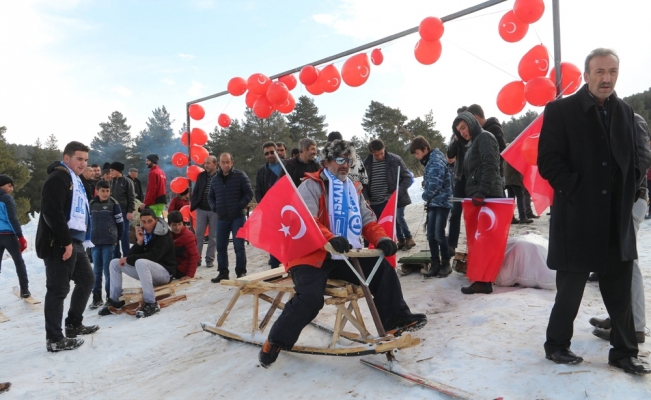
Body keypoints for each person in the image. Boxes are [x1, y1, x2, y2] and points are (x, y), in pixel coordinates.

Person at [259, 139, 426, 368]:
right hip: (309, 254)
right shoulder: (311, 186)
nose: (345, 165)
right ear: (326, 162)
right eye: (340, 160)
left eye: (348, 160)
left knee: (382, 270)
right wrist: (329, 237)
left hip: (343, 254)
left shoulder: (353, 188)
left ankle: (395, 320)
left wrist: (382, 238)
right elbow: (306, 219)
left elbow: (367, 219)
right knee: (310, 299)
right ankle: (275, 341)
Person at [538, 48, 649, 374]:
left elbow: (640, 156)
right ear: (586, 75)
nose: (606, 78)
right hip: (577, 216)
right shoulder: (561, 110)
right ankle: (557, 346)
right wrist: (576, 189)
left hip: (616, 218)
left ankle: (625, 352)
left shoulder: (625, 112)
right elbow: (548, 161)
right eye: (599, 71)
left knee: (619, 290)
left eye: (612, 71)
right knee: (570, 290)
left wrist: (628, 189)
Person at [589, 113, 651, 344]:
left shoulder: (632, 119)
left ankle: (635, 326)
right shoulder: (605, 122)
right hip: (617, 202)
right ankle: (620, 318)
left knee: (628, 262)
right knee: (616, 262)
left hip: (631, 199)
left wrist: (623, 191)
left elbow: (643, 159)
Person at [35, 141, 98, 352]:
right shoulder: (58, 178)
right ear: (66, 158)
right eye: (79, 159)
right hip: (59, 243)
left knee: (87, 280)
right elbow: (51, 212)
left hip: (75, 242)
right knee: (58, 290)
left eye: (86, 160)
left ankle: (73, 324)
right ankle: (54, 338)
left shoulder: (76, 180)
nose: (83, 164)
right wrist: (65, 242)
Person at [454, 111, 503, 295]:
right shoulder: (472, 143)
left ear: (471, 122)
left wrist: (482, 191)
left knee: (485, 240)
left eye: (464, 127)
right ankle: (482, 279)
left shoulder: (485, 137)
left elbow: (491, 165)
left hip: (488, 196)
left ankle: (484, 281)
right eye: (459, 130)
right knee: (479, 239)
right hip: (478, 197)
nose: (462, 132)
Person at [99, 208, 177, 319]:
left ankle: (151, 303)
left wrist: (129, 259)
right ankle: (115, 301)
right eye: (143, 222)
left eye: (149, 221)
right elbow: (130, 256)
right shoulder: (145, 234)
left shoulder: (163, 235)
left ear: (156, 220)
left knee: (140, 262)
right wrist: (139, 242)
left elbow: (153, 257)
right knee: (115, 263)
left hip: (165, 273)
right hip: (148, 272)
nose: (147, 225)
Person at [409, 137, 453, 278]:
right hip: (434, 203)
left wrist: (425, 195)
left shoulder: (435, 161)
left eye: (417, 153)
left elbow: (435, 184)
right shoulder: (430, 161)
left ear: (425, 149)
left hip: (442, 202)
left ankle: (446, 263)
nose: (416, 157)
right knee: (430, 235)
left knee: (439, 234)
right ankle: (435, 264)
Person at [208, 153, 253, 282]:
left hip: (237, 217)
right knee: (221, 247)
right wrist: (215, 207)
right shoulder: (215, 179)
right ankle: (223, 272)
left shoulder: (240, 176)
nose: (226, 165)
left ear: (232, 162)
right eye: (223, 162)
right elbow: (210, 196)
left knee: (239, 246)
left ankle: (241, 272)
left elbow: (249, 193)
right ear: (219, 164)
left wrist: (240, 205)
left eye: (228, 162)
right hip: (221, 218)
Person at [362, 139, 413, 250]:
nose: (380, 156)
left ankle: (400, 242)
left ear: (384, 148)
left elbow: (407, 178)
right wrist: (365, 197)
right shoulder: (365, 164)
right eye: (377, 155)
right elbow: (362, 183)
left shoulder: (395, 159)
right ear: (371, 153)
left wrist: (396, 193)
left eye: (382, 153)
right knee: (374, 228)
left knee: (392, 224)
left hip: (389, 201)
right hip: (372, 203)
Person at [88, 180, 124, 309]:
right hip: (95, 243)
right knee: (96, 271)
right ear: (97, 191)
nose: (105, 193)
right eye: (103, 191)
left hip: (109, 242)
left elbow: (120, 223)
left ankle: (110, 296)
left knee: (108, 270)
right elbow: (87, 223)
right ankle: (96, 297)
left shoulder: (114, 204)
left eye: (108, 191)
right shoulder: (91, 204)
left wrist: (117, 238)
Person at [447, 107, 472, 257]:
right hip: (459, 179)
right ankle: (451, 244)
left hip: (473, 180)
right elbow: (450, 155)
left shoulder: (476, 135)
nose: (461, 129)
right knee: (455, 212)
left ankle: (473, 244)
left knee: (472, 213)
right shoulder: (455, 136)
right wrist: (456, 141)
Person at [0, 174, 30, 297]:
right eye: (9, 185)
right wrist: (20, 236)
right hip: (8, 235)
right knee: (18, 261)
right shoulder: (6, 198)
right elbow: (12, 218)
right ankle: (25, 290)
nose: (11, 189)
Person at [255, 142, 283, 269]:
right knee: (273, 241)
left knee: (288, 240)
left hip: (287, 209)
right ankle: (275, 268)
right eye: (267, 153)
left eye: (272, 152)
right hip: (270, 211)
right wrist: (264, 206)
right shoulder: (262, 171)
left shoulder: (287, 166)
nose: (270, 155)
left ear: (277, 151)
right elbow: (258, 190)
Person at [191, 155, 219, 268]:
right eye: (205, 163)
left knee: (213, 236)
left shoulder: (220, 176)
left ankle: (209, 259)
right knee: (198, 235)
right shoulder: (201, 176)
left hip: (214, 210)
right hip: (201, 209)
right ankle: (197, 259)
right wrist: (195, 203)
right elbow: (196, 190)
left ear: (215, 164)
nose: (206, 165)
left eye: (208, 163)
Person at [109, 161, 136, 258]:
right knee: (114, 234)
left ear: (118, 171)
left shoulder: (127, 181)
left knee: (124, 234)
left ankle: (126, 255)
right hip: (113, 211)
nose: (110, 172)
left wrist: (130, 211)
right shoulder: (111, 182)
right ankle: (116, 256)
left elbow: (131, 197)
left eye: (112, 170)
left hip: (124, 211)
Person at [168, 211, 199, 280]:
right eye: (174, 225)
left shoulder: (188, 236)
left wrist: (189, 275)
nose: (177, 227)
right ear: (169, 225)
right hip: (175, 265)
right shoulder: (170, 235)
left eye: (179, 224)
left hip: (182, 270)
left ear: (183, 223)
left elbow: (194, 256)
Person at [503, 156, 533, 224]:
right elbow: (519, 167)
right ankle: (522, 217)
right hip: (515, 179)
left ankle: (511, 218)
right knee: (520, 197)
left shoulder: (507, 153)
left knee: (511, 199)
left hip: (508, 179)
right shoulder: (515, 155)